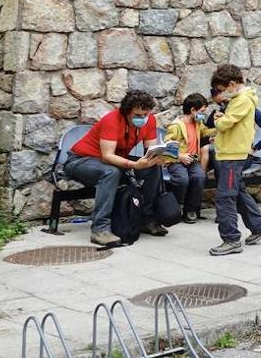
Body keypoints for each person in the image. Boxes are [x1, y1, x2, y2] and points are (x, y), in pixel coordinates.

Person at [63, 90, 167, 247]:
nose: (143, 119)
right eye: (137, 115)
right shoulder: (112, 120)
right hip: (80, 160)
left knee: (152, 169)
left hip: (112, 160)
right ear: (126, 112)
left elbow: (151, 149)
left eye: (145, 114)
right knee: (111, 172)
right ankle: (100, 229)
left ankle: (147, 219)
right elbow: (107, 156)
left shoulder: (149, 120)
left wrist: (160, 158)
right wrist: (134, 165)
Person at [208, 64, 261, 256]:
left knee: (225, 197)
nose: (222, 94)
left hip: (232, 156)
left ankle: (231, 240)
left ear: (231, 84)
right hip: (232, 154)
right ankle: (260, 226)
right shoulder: (242, 99)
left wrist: (219, 120)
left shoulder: (241, 99)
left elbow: (226, 123)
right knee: (236, 193)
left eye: (221, 90)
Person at [164, 93, 213, 223]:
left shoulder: (198, 123)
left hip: (192, 160)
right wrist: (180, 156)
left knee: (199, 177)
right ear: (193, 110)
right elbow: (167, 146)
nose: (204, 114)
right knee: (182, 179)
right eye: (202, 111)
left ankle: (190, 209)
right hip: (177, 161)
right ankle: (175, 207)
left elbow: (205, 132)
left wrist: (218, 126)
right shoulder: (176, 126)